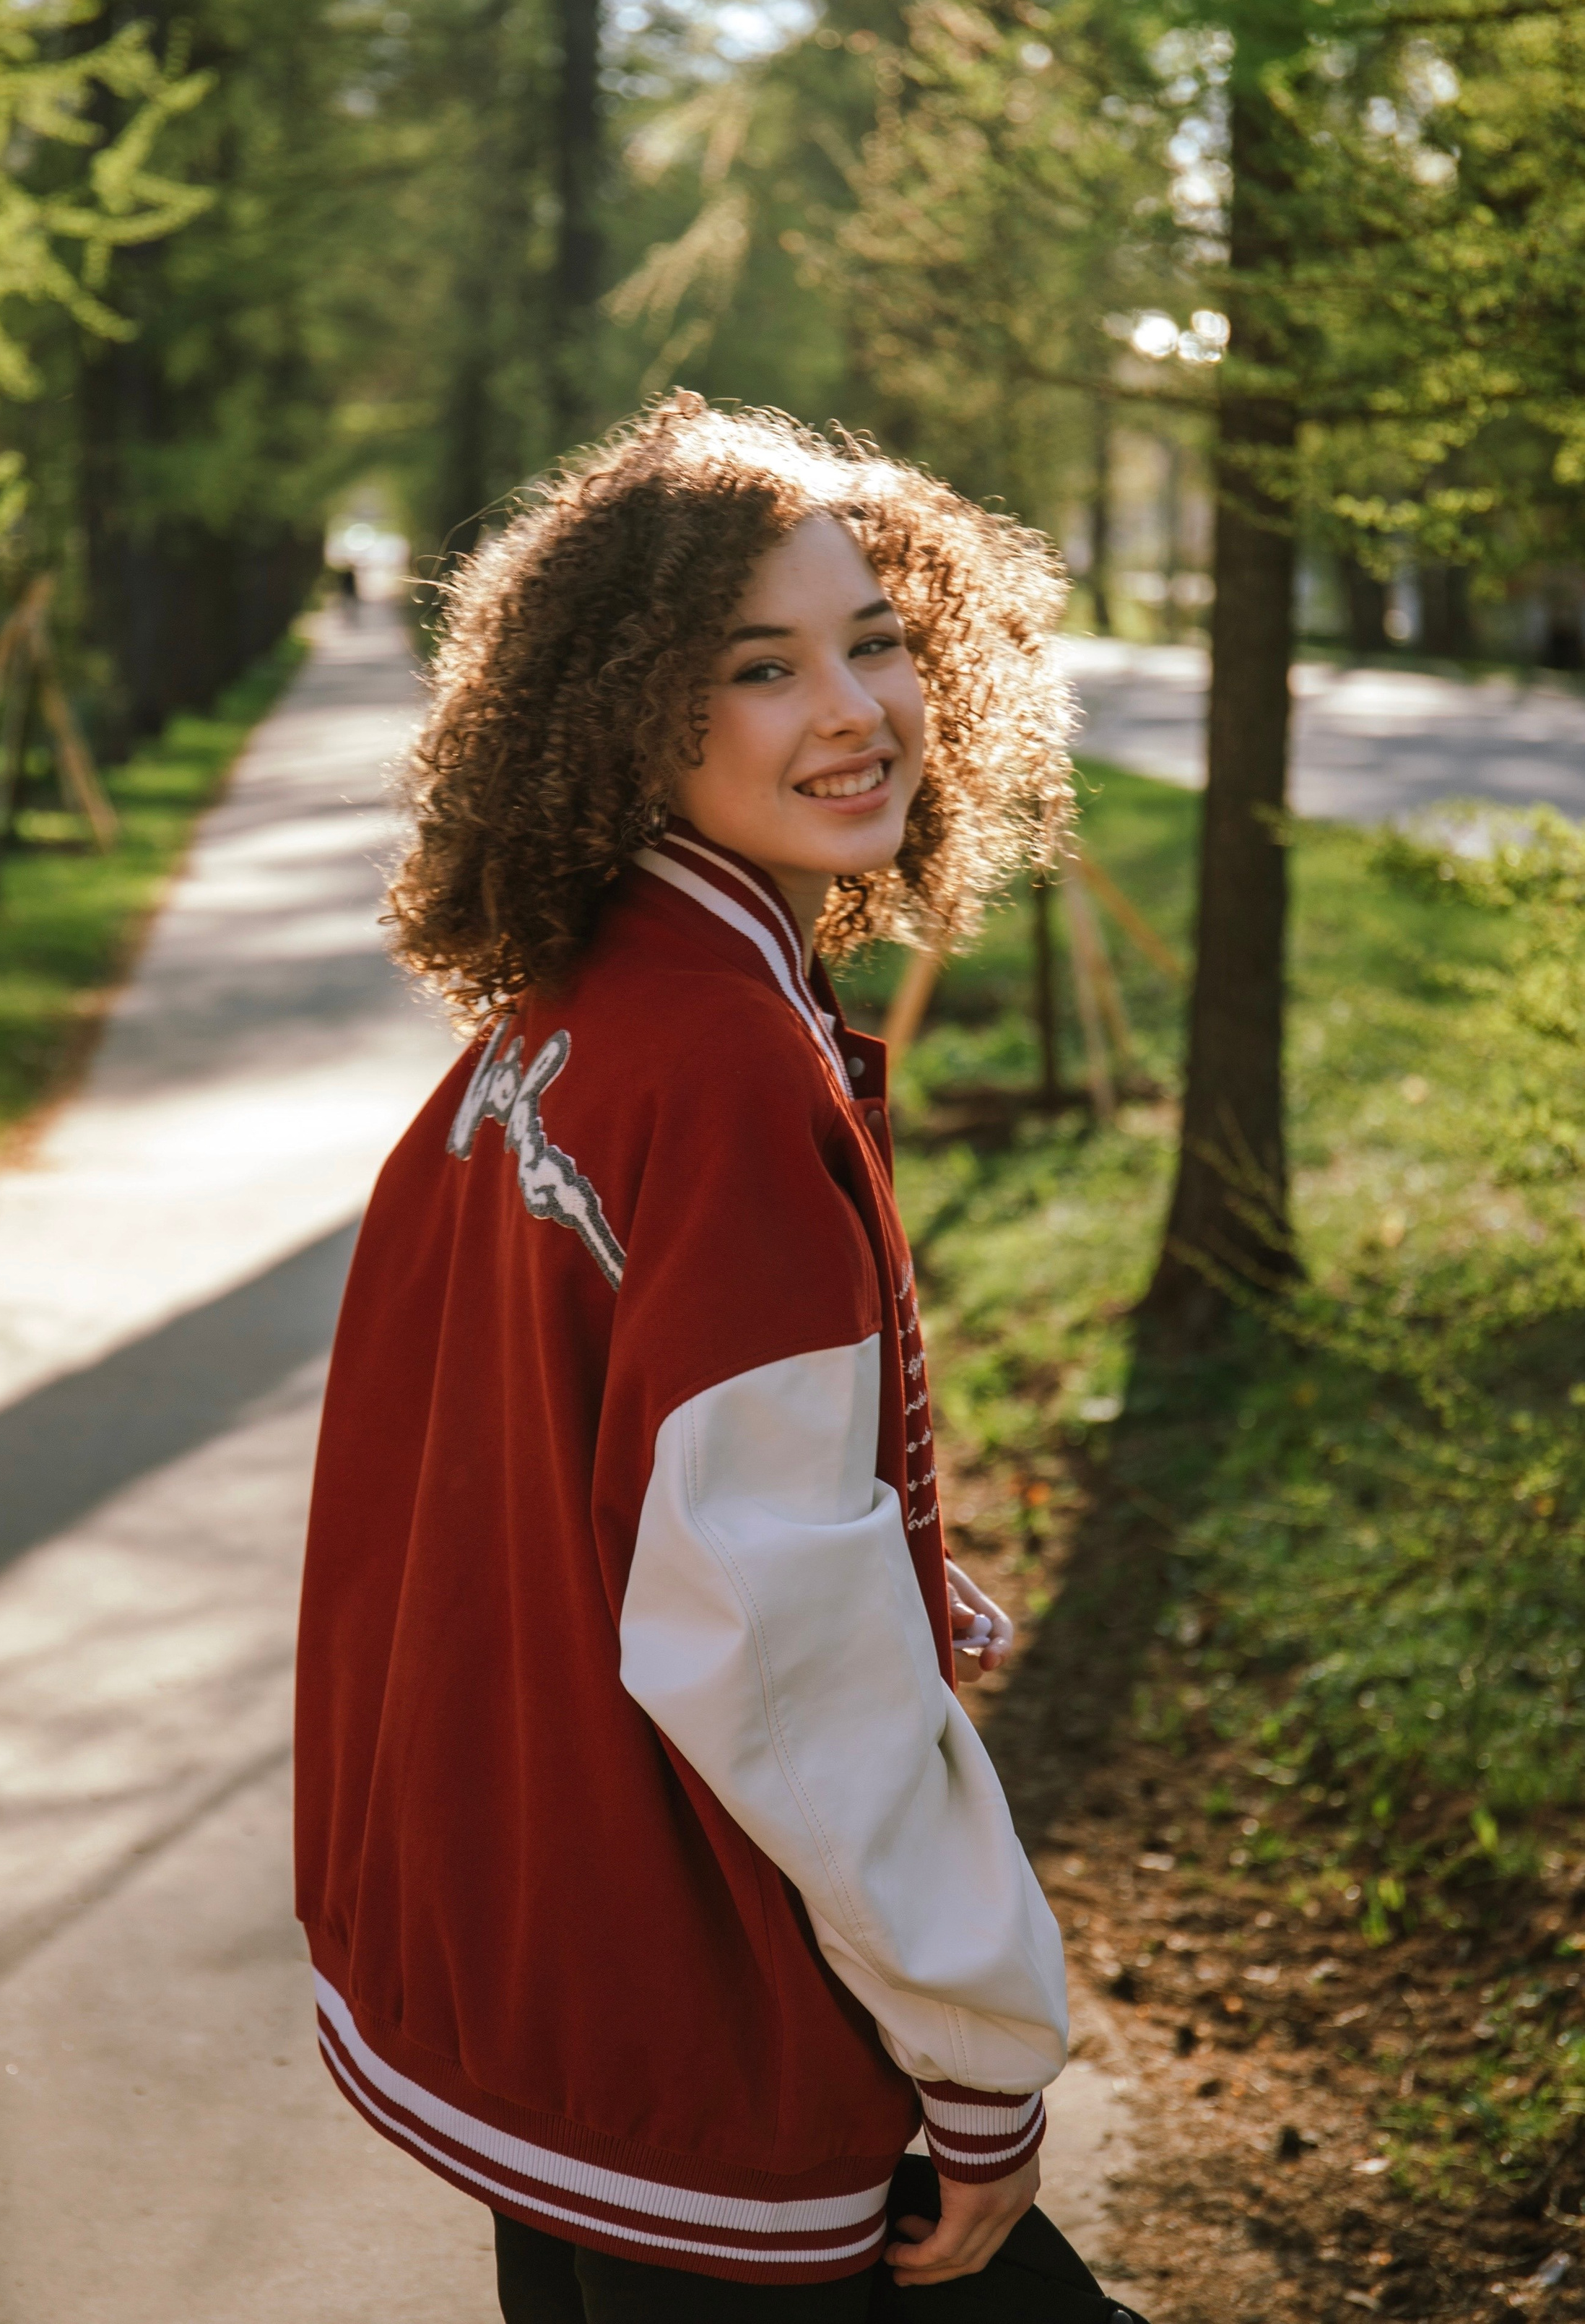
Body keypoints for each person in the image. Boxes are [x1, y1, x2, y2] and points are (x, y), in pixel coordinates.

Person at [294, 397, 1127, 2320]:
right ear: (624, 710)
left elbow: (632, 1483)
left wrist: (880, 1551)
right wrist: (984, 2061)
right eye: (763, 666)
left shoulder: (575, 1012)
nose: (854, 711)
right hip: (701, 2030)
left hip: (551, 2003)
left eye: (879, 639)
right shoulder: (727, 1069)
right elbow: (769, 1645)